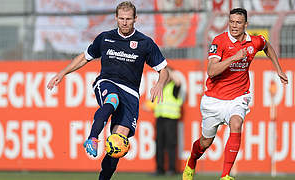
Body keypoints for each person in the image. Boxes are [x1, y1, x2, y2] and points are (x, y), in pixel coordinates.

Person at [47, 1, 169, 180]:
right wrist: (63, 72)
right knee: (113, 99)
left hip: (131, 95)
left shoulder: (145, 43)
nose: (125, 22)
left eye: (128, 19)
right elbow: (84, 57)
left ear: (135, 19)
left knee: (117, 145)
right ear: (116, 18)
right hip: (107, 82)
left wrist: (160, 83)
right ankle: (93, 138)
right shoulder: (105, 38)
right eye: (121, 18)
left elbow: (163, 70)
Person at [182, 8, 288, 180]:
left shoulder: (254, 42)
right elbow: (211, 71)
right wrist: (233, 58)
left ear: (246, 24)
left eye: (238, 22)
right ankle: (192, 160)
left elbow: (266, 46)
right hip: (214, 100)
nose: (234, 26)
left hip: (239, 96)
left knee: (236, 124)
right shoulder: (220, 41)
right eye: (231, 22)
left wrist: (279, 69)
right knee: (205, 142)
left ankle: (225, 175)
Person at [146, 66, 184, 176]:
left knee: (171, 144)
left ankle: (172, 169)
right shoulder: (161, 88)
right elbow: (154, 103)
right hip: (160, 118)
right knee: (159, 144)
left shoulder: (173, 87)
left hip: (171, 118)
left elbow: (178, 81)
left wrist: (166, 71)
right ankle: (160, 169)